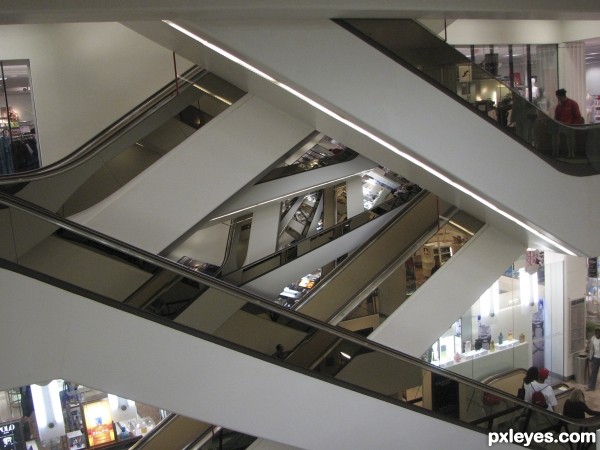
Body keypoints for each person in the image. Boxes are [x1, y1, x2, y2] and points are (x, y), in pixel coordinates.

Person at [586, 326, 600, 390]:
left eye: (598, 333)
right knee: (594, 372)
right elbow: (591, 349)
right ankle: (591, 386)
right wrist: (590, 357)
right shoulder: (593, 338)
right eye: (596, 333)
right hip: (596, 358)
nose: (597, 334)